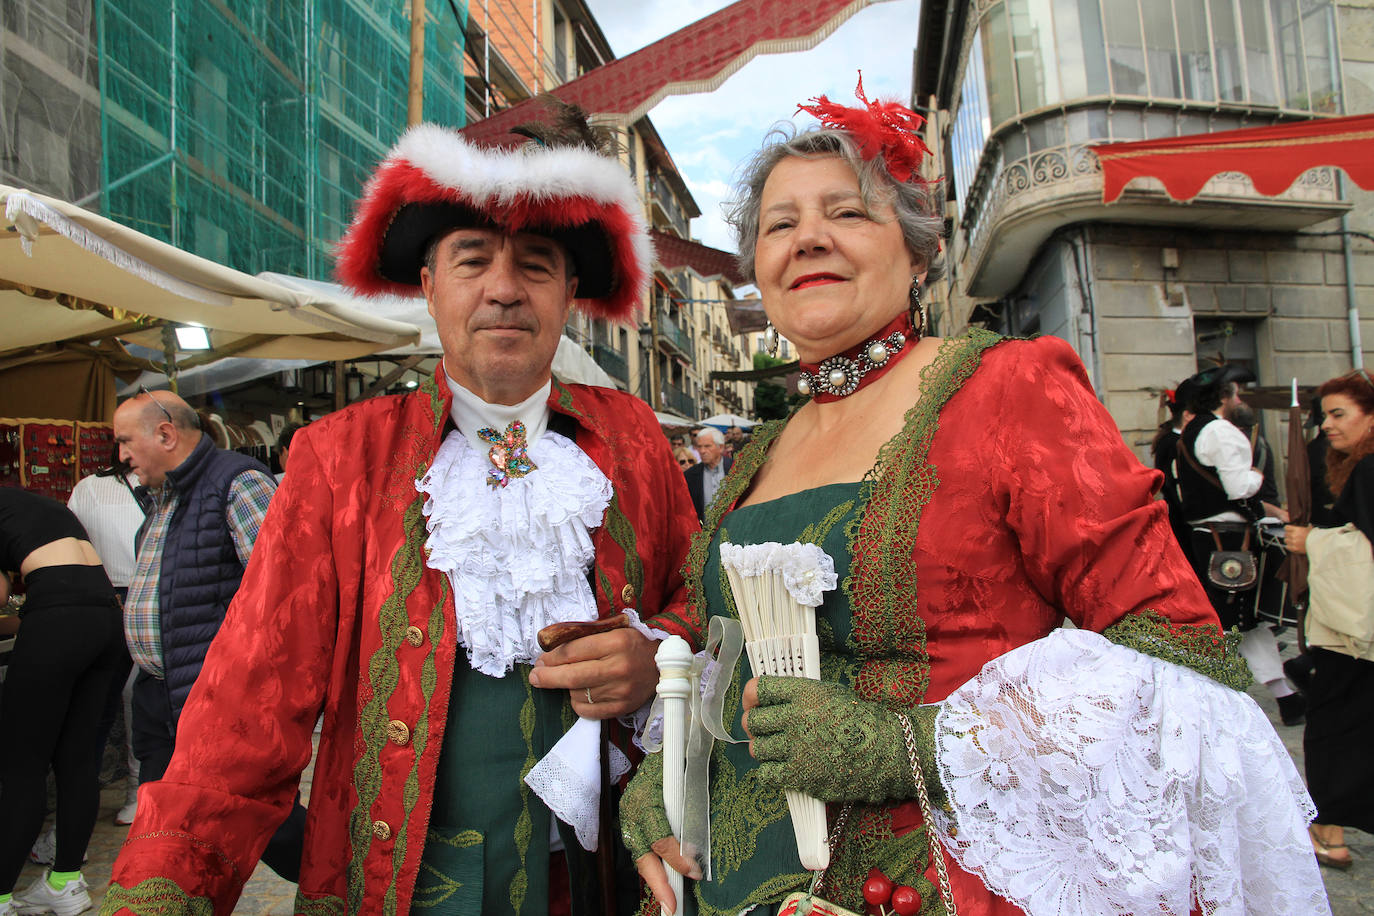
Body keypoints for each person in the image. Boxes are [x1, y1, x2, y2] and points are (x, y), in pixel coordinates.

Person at [620, 80, 1325, 916]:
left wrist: (907, 746)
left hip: (945, 882)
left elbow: (1177, 655)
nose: (809, 236)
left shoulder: (1008, 387)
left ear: (918, 255)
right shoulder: (757, 454)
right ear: (759, 269)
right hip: (736, 885)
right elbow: (710, 655)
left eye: (847, 213)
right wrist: (672, 778)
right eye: (780, 224)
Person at [102, 101, 700, 916]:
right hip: (404, 888)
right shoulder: (339, 457)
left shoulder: (634, 439)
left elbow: (705, 604)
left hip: (601, 884)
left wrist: (658, 657)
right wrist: (163, 891)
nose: (502, 289)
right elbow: (247, 703)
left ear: (568, 292)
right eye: (471, 260)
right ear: (427, 285)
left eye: (534, 264)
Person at [111, 390, 305, 880]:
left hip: (216, 695)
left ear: (166, 433)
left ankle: (349, 886)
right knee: (164, 829)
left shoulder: (237, 482)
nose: (121, 456)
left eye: (125, 441)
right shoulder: (162, 497)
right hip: (163, 694)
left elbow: (283, 591)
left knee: (266, 822)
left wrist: (246, 685)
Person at [1, 489, 126, 916]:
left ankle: (0, 896)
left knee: (22, 764)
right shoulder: (31, 503)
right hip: (107, 617)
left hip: (58, 618)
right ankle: (64, 882)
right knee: (75, 758)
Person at [1176, 368, 1305, 725]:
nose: (1239, 401)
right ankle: (1219, 703)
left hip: (1214, 535)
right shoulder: (1220, 430)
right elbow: (1237, 487)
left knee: (1242, 621)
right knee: (1232, 619)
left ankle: (1286, 697)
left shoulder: (1193, 430)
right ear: (1222, 397)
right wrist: (1258, 477)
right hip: (1227, 538)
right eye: (1235, 395)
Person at [1284, 369, 1374, 871]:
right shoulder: (1355, 465)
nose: (1327, 426)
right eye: (1324, 416)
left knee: (1331, 726)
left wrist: (1310, 541)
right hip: (1356, 632)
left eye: (1339, 415)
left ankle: (1328, 832)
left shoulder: (1367, 468)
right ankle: (1329, 830)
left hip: (1354, 633)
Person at [66, 458, 143, 827]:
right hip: (107, 594)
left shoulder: (172, 483)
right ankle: (79, 808)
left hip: (152, 592)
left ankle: (138, 789)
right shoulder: (90, 488)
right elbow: (74, 548)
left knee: (138, 700)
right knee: (103, 702)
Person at [683, 428, 731, 523]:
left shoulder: (736, 469)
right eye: (699, 447)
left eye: (707, 446)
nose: (702, 451)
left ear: (720, 447)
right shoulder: (690, 475)